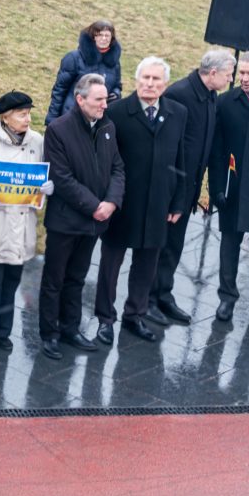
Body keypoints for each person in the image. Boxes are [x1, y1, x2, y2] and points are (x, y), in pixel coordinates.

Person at [95, 57, 187, 345]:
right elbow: (105, 160)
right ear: (136, 80)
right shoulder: (118, 112)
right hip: (123, 203)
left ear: (165, 84)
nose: (150, 84)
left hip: (158, 203)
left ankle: (135, 314)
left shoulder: (177, 112)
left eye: (156, 79)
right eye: (145, 78)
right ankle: (105, 319)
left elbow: (180, 158)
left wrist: (178, 202)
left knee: (147, 264)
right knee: (110, 264)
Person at [38, 73, 125, 360]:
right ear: (80, 99)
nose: (104, 105)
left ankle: (70, 328)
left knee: (77, 278)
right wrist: (95, 206)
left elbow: (117, 168)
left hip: (94, 221)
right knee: (55, 279)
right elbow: (61, 178)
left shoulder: (107, 127)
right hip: (66, 221)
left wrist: (111, 202)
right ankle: (49, 333)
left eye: (106, 99)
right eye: (99, 100)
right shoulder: (58, 130)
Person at [149, 49, 236, 325]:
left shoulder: (210, 97)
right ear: (213, 73)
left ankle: (163, 294)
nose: (231, 79)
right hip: (172, 189)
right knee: (159, 245)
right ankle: (147, 300)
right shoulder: (179, 95)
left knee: (174, 245)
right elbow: (166, 148)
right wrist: (173, 196)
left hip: (189, 188)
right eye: (228, 74)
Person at [0, 92, 54, 354]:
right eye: (22, 114)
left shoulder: (37, 141)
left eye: (28, 113)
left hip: (23, 226)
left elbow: (42, 176)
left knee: (12, 282)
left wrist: (48, 187)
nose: (28, 119)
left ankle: (3, 332)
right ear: (6, 117)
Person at [209, 50, 249, 322]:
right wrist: (217, 189)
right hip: (234, 188)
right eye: (243, 73)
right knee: (229, 245)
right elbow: (217, 151)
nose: (245, 79)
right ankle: (227, 297)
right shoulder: (225, 103)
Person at [46, 20, 123, 126]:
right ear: (93, 37)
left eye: (107, 35)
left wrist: (115, 93)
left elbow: (117, 85)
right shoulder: (74, 58)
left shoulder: (115, 63)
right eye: (100, 35)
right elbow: (59, 91)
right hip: (73, 117)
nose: (104, 39)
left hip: (100, 119)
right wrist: (52, 120)